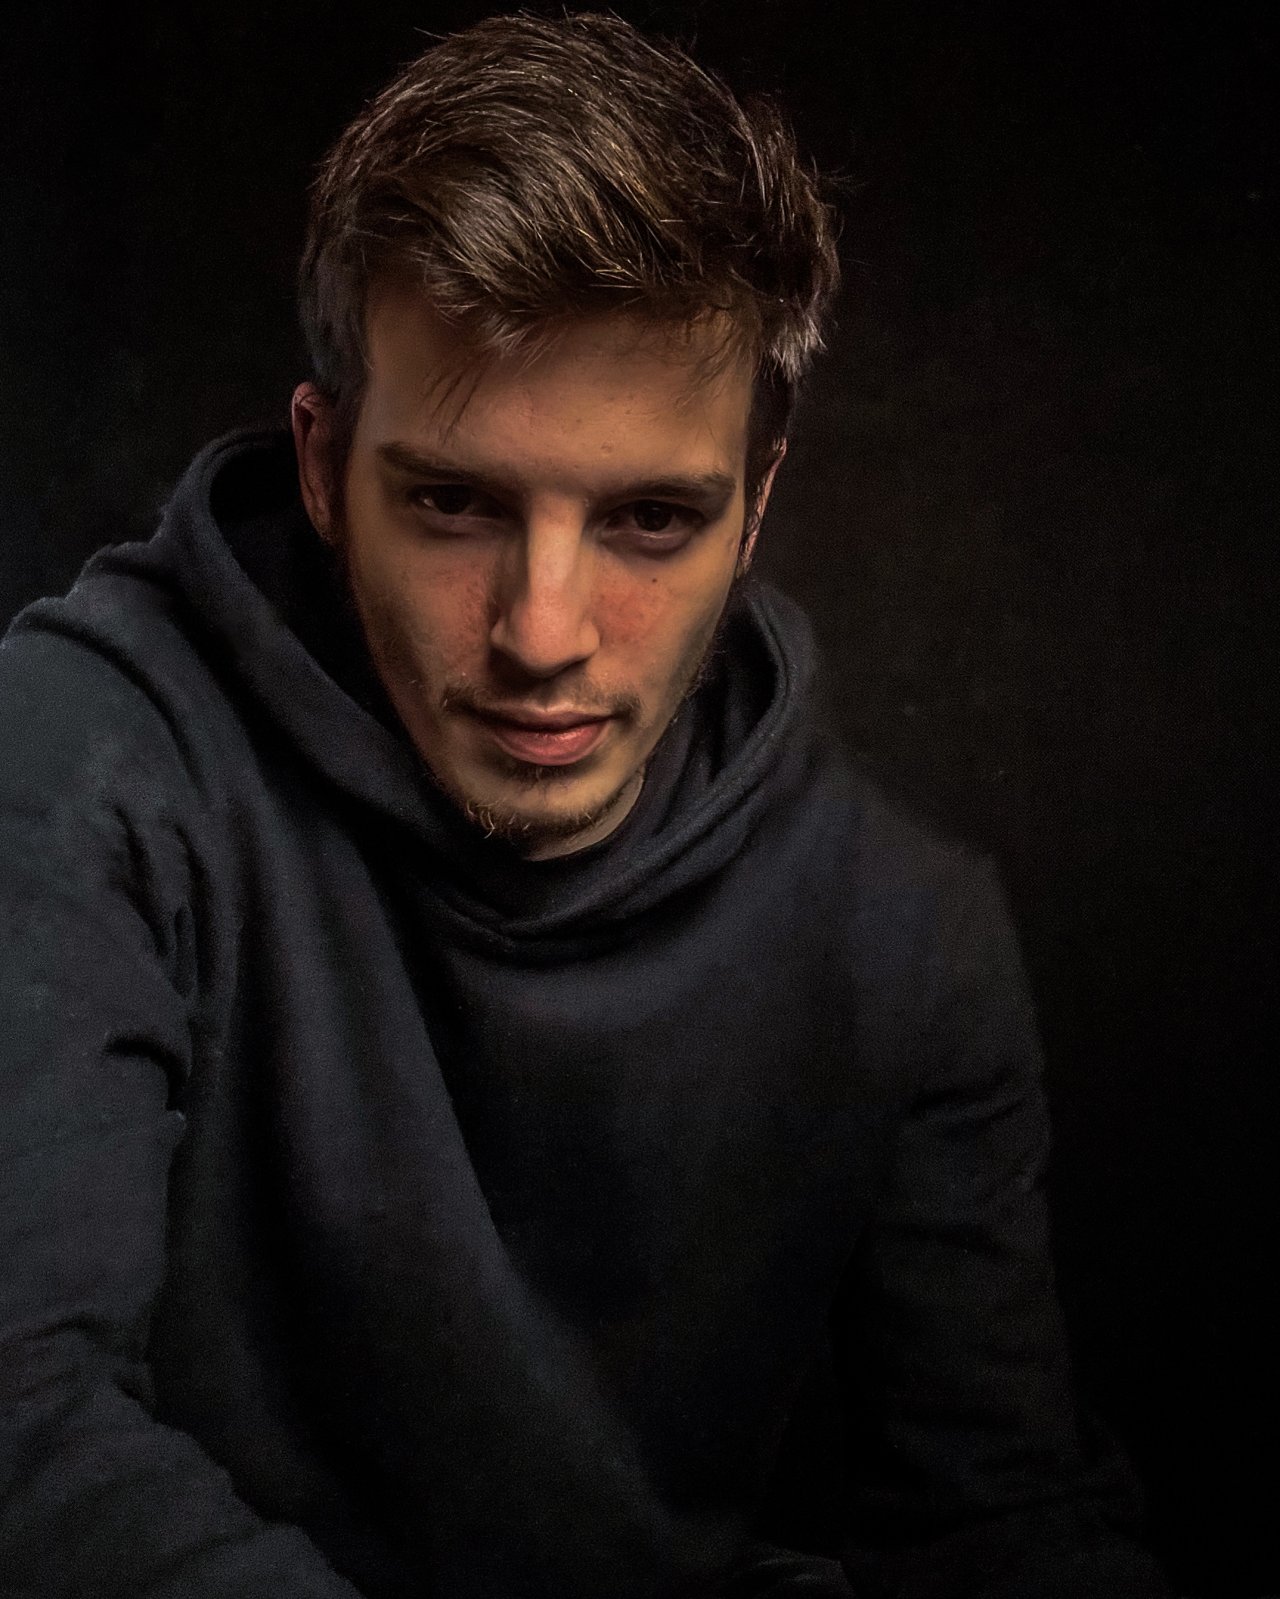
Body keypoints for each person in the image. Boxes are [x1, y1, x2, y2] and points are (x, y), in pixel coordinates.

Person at [0, 13, 1172, 1598]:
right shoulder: (77, 765)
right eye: (453, 502)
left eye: (649, 521)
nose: (543, 634)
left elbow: (999, 1524)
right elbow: (20, 1424)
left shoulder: (902, 932)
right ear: (326, 470)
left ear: (755, 507)